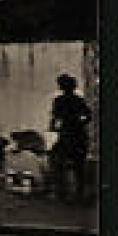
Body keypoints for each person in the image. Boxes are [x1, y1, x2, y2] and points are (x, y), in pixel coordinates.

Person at [49, 73, 93, 202]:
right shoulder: (79, 100)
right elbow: (88, 115)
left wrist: (54, 128)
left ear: (61, 86)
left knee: (57, 161)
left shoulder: (59, 100)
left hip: (67, 135)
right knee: (79, 165)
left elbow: (55, 118)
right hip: (79, 134)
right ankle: (79, 193)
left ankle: (61, 192)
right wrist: (80, 123)